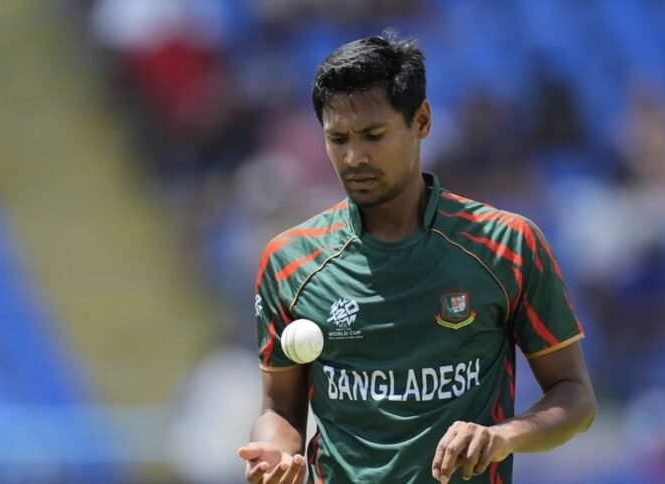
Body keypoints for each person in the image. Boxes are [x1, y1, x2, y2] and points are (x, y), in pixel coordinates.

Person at [237, 33, 596, 484]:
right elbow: (278, 409)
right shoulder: (290, 262)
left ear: (421, 121)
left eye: (374, 135)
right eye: (338, 138)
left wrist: (504, 436)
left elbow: (575, 396)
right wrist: (274, 452)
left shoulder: (506, 246)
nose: (354, 157)